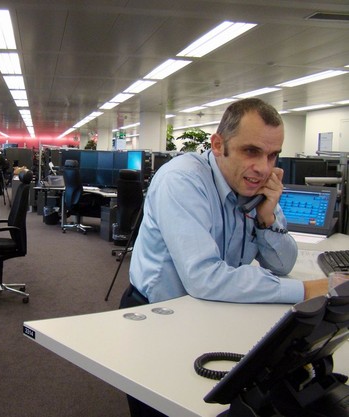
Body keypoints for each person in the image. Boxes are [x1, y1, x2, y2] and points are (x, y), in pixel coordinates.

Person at [120, 98, 329, 417]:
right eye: (251, 151)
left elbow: (282, 263)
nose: (264, 167)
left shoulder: (255, 187)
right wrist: (306, 290)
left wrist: (267, 217)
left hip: (210, 309)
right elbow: (205, 277)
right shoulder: (183, 180)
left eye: (272, 155)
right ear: (218, 145)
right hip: (156, 315)